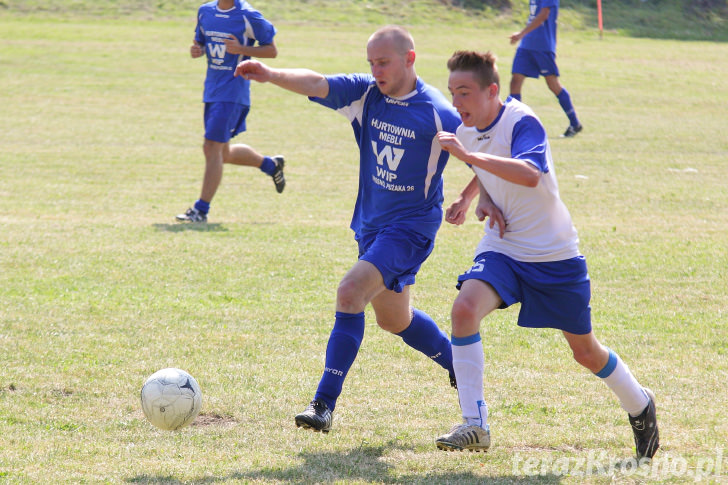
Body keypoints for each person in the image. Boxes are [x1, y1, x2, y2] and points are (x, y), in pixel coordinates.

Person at [235, 25, 462, 433]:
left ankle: (323, 404)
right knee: (394, 319)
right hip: (372, 225)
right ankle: (457, 363)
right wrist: (270, 74)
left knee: (350, 291)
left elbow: (481, 152)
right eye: (371, 62)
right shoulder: (366, 94)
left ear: (410, 59)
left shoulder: (437, 111)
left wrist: (474, 198)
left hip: (410, 228)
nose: (376, 70)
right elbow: (319, 82)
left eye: (384, 62)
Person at [433, 50, 659, 458]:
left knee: (585, 351)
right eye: (452, 93)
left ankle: (640, 404)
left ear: (492, 91)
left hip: (553, 254)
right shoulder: (465, 131)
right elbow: (482, 168)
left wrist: (468, 159)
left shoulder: (523, 121)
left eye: (464, 93)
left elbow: (528, 171)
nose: (457, 103)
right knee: (464, 309)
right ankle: (475, 424)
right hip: (504, 247)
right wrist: (478, 199)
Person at [176, 0, 285, 223]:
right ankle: (270, 165)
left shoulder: (248, 16)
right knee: (222, 153)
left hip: (234, 91)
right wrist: (197, 50)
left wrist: (242, 50)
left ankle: (200, 210)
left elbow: (272, 50)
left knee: (211, 147)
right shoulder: (205, 11)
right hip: (212, 91)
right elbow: (201, 44)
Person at [509, 0, 583, 137]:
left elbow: (544, 14)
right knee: (515, 81)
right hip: (526, 45)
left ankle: (574, 123)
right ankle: (515, 125)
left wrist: (521, 34)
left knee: (553, 84)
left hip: (542, 45)